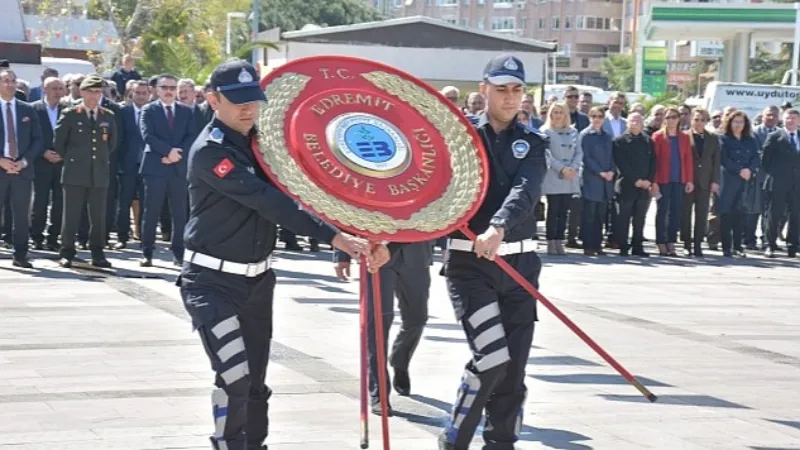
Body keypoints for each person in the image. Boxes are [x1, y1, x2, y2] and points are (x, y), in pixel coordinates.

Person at [179, 59, 388, 450]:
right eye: (237, 101)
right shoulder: (211, 151)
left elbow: (315, 188)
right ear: (212, 100)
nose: (248, 108)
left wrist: (359, 231)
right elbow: (270, 202)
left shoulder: (264, 145)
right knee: (234, 376)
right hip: (211, 283)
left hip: (257, 282)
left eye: (253, 100)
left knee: (255, 382)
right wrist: (335, 238)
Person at [439, 55, 547, 450]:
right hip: (471, 265)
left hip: (520, 264)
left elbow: (525, 191)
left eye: (517, 89)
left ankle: (501, 442)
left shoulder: (534, 142)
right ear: (483, 90)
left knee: (514, 367)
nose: (510, 97)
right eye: (501, 89)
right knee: (491, 355)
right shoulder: (462, 139)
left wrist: (498, 226)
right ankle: (456, 438)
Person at [334, 242, 432, 415]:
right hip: (376, 256)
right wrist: (342, 255)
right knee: (378, 323)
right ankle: (379, 392)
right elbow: (352, 215)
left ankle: (400, 359)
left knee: (417, 319)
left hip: (416, 256)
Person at [53, 75, 117, 268]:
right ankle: (67, 251)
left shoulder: (107, 115)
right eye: (90, 91)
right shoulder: (71, 113)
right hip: (75, 172)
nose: (94, 96)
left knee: (98, 216)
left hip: (99, 173)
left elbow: (112, 144)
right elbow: (59, 143)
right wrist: (74, 159)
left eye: (98, 92)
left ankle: (97, 252)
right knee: (71, 215)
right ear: (81, 92)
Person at [0, 69, 43, 268]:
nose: (10, 84)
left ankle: (21, 254)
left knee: (21, 215)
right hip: (0, 167)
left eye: (13, 80)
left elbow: (37, 140)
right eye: (5, 81)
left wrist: (24, 162)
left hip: (22, 170)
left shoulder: (27, 109)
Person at [651, 107, 694, 256]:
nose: (671, 120)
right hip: (663, 180)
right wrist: (654, 181)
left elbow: (688, 159)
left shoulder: (684, 137)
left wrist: (689, 180)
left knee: (676, 212)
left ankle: (671, 241)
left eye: (674, 117)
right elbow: (654, 161)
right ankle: (660, 242)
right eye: (668, 117)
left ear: (679, 119)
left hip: (679, 180)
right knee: (662, 211)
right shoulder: (657, 137)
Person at [30, 76, 67, 251]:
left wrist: (63, 153)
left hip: (61, 163)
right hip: (41, 162)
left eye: (60, 88)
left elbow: (72, 137)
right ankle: (37, 236)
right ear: (45, 89)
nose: (58, 92)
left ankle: (53, 237)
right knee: (40, 202)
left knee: (60, 202)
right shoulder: (33, 109)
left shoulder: (68, 110)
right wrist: (43, 152)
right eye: (54, 88)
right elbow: (29, 137)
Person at [717, 111, 760, 258]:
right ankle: (726, 247)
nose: (738, 125)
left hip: (745, 181)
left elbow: (756, 157)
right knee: (726, 214)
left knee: (740, 214)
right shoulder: (723, 139)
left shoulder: (750, 139)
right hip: (728, 181)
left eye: (741, 122)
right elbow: (724, 159)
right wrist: (739, 169)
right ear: (729, 123)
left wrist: (750, 170)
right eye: (735, 121)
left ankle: (738, 246)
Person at [541, 101, 581, 255]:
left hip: (570, 176)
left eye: (561, 112)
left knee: (564, 210)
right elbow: (547, 155)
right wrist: (562, 168)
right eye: (555, 112)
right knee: (553, 209)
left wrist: (573, 167)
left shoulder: (573, 132)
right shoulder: (545, 132)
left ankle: (560, 240)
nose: (558, 116)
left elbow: (579, 152)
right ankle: (551, 241)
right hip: (554, 175)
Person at [613, 113, 655, 257]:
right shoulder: (619, 141)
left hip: (644, 187)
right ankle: (623, 246)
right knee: (624, 218)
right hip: (626, 185)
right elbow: (621, 163)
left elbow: (653, 163)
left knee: (640, 218)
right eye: (632, 120)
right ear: (627, 123)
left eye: (638, 120)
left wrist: (649, 180)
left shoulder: (648, 141)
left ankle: (638, 245)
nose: (635, 123)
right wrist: (635, 180)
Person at [680, 108, 720, 258]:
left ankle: (697, 245)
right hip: (688, 181)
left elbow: (716, 161)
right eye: (696, 119)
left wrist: (715, 180)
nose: (699, 123)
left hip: (705, 181)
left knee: (701, 215)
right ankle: (686, 244)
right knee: (686, 214)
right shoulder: (684, 136)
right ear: (691, 120)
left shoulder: (713, 138)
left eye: (702, 120)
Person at [761, 108, 800, 258]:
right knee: (774, 215)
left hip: (796, 184)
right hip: (777, 182)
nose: (790, 121)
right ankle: (770, 244)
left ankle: (792, 246)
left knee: (795, 215)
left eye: (794, 118)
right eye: (787, 118)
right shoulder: (774, 136)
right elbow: (765, 160)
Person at [579, 106, 615, 256]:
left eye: (600, 116)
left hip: (606, 181)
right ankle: (588, 245)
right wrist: (599, 172)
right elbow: (586, 157)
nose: (597, 119)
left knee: (601, 215)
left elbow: (613, 155)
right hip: (591, 179)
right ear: (589, 117)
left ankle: (597, 244)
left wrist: (612, 170)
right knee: (589, 215)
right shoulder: (585, 135)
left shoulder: (607, 135)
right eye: (594, 116)